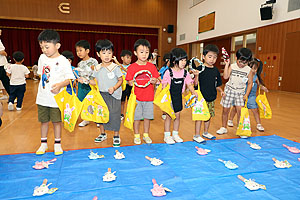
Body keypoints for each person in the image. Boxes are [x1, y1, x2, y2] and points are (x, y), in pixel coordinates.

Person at [35, 29, 75, 155]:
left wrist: (60, 85)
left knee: (57, 122)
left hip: (56, 98)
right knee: (44, 121)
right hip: (42, 97)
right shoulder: (42, 58)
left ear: (57, 45)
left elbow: (70, 79)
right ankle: (43, 144)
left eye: (47, 47)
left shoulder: (63, 60)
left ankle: (57, 144)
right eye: (42, 47)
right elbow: (40, 75)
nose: (44, 50)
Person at [126, 39, 159, 144]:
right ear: (135, 53)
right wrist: (131, 82)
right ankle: (136, 135)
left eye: (146, 52)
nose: (144, 54)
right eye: (141, 52)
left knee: (147, 117)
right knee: (137, 118)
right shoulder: (132, 67)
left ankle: (146, 134)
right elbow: (128, 81)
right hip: (136, 98)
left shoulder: (152, 66)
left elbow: (157, 79)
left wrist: (155, 81)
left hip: (149, 97)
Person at [161, 48, 197, 144]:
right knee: (169, 116)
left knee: (177, 116)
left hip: (178, 97)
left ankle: (175, 134)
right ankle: (167, 136)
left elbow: (189, 83)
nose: (184, 62)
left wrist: (193, 92)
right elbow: (164, 85)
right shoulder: (169, 72)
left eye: (185, 60)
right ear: (174, 60)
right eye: (181, 60)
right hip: (169, 97)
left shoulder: (185, 73)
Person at [91, 39, 123, 147]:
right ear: (98, 54)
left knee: (114, 115)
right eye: (104, 53)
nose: (107, 55)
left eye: (109, 52)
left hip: (114, 95)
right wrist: (85, 80)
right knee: (101, 115)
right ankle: (102, 134)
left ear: (112, 53)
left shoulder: (115, 67)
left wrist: (114, 87)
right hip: (101, 95)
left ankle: (116, 135)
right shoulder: (97, 68)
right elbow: (94, 82)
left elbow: (121, 80)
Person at [216, 48, 254, 138]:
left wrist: (246, 94)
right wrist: (227, 65)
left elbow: (250, 83)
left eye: (245, 63)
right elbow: (225, 77)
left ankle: (240, 130)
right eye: (240, 61)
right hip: (229, 91)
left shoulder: (248, 70)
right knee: (225, 110)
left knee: (240, 112)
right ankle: (223, 127)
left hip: (240, 93)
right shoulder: (232, 66)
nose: (242, 64)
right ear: (236, 58)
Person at [193, 44, 224, 143]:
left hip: (211, 97)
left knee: (208, 116)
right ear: (203, 56)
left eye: (215, 57)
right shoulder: (199, 69)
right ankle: (196, 135)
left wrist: (221, 91)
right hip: (201, 98)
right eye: (210, 57)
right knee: (199, 117)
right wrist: (196, 76)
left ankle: (205, 132)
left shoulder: (215, 70)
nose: (212, 59)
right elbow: (195, 84)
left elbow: (217, 84)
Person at [227, 58, 268, 131]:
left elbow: (259, 85)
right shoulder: (245, 75)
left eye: (255, 69)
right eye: (251, 68)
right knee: (235, 108)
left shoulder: (256, 77)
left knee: (255, 110)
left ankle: (259, 124)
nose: (253, 70)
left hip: (251, 96)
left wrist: (263, 87)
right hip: (241, 95)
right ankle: (230, 120)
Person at [75, 40, 98, 127]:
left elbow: (96, 72)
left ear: (87, 51)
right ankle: (85, 119)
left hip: (91, 85)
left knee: (92, 101)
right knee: (82, 101)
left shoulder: (93, 61)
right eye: (77, 51)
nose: (78, 53)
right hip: (82, 86)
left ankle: (96, 118)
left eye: (80, 50)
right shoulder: (79, 63)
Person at [112, 50, 132, 121]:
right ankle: (121, 114)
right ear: (122, 58)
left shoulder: (131, 66)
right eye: (127, 57)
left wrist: (116, 61)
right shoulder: (117, 67)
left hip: (130, 86)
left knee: (130, 101)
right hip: (122, 86)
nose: (129, 59)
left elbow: (126, 70)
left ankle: (130, 114)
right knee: (122, 101)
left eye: (130, 58)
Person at [159, 53, 170, 120]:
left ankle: (169, 112)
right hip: (164, 86)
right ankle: (164, 113)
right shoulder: (164, 68)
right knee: (164, 99)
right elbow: (158, 74)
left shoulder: (172, 68)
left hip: (170, 86)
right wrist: (162, 80)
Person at [0, 29, 10, 99]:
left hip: (1, 64)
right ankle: (12, 96)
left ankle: (7, 95)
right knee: (6, 81)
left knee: (5, 81)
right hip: (1, 65)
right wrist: (5, 54)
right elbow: (1, 52)